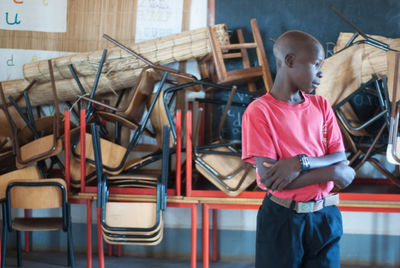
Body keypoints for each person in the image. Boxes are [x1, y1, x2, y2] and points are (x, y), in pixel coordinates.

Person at [241, 30, 356, 268]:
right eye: (316, 64)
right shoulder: (260, 111)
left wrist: (299, 163)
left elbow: (340, 156)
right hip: (283, 219)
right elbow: (271, 179)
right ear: (290, 61)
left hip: (325, 217)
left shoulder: (321, 105)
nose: (321, 73)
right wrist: (331, 173)